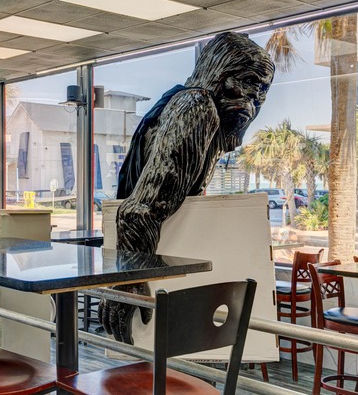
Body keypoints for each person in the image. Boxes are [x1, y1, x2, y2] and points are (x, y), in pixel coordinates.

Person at [99, 32, 275, 343]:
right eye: (248, 81)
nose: (255, 98)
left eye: (263, 89)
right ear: (219, 74)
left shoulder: (207, 116)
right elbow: (139, 211)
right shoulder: (197, 106)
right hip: (150, 268)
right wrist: (127, 281)